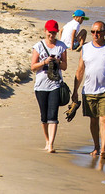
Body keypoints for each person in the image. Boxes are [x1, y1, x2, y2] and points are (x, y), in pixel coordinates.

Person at [71, 21, 105, 158]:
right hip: (89, 90)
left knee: (104, 119)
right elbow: (80, 70)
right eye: (93, 32)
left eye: (99, 32)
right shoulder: (85, 48)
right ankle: (96, 146)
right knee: (93, 121)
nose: (95, 34)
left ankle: (103, 149)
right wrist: (75, 90)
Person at [30, 20, 68, 153]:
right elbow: (33, 67)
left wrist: (57, 61)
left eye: (53, 32)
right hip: (41, 85)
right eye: (49, 32)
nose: (51, 35)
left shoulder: (61, 46)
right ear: (45, 31)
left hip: (55, 85)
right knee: (44, 116)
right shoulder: (38, 46)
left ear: (57, 32)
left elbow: (64, 66)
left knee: (53, 115)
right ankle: (47, 140)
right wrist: (44, 62)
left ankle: (51, 143)